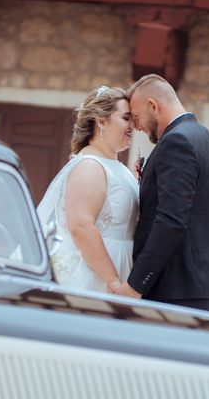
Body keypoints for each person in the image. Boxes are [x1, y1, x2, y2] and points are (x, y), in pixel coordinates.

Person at [115, 74, 209, 312]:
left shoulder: (175, 142)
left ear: (153, 106)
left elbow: (171, 220)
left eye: (136, 117)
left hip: (174, 289)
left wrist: (136, 285)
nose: (136, 126)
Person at [37, 86, 139, 293]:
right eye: (126, 118)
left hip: (120, 263)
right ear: (101, 121)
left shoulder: (116, 167)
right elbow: (81, 227)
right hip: (95, 272)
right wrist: (112, 279)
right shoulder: (90, 166)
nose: (133, 125)